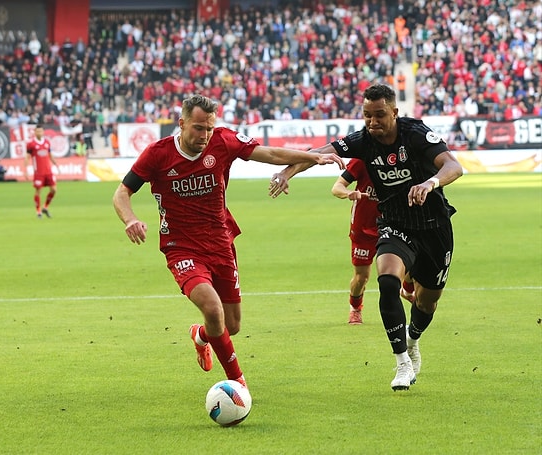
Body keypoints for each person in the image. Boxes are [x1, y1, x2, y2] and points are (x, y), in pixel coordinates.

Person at [113, 94, 343, 389]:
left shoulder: (224, 141)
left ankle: (201, 336)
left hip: (221, 242)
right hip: (181, 246)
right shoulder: (157, 154)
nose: (204, 135)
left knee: (230, 325)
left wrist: (312, 157)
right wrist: (130, 219)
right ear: (181, 124)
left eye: (209, 128)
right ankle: (238, 385)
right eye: (198, 128)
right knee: (212, 308)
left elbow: (269, 154)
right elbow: (121, 193)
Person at [270, 84, 463, 391]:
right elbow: (317, 154)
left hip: (434, 226)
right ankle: (401, 362)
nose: (373, 122)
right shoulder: (362, 141)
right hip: (395, 223)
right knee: (387, 281)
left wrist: (431, 182)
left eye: (380, 115)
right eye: (367, 116)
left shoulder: (415, 134)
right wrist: (287, 172)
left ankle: (412, 340)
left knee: (427, 302)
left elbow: (454, 166)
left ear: (395, 113)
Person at [332, 159, 415, 325]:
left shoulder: (401, 157)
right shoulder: (362, 160)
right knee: (362, 277)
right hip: (363, 227)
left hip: (393, 222)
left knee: (411, 261)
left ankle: (406, 290)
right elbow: (336, 187)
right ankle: (355, 308)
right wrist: (348, 193)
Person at [25, 125, 58, 218]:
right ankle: (38, 211)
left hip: (48, 171)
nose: (39, 133)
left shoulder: (47, 142)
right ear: (35, 132)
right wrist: (26, 170)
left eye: (41, 131)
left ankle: (45, 207)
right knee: (38, 190)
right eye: (37, 131)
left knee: (54, 190)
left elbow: (50, 154)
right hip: (38, 172)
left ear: (43, 132)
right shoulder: (31, 144)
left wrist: (55, 163)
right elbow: (27, 157)